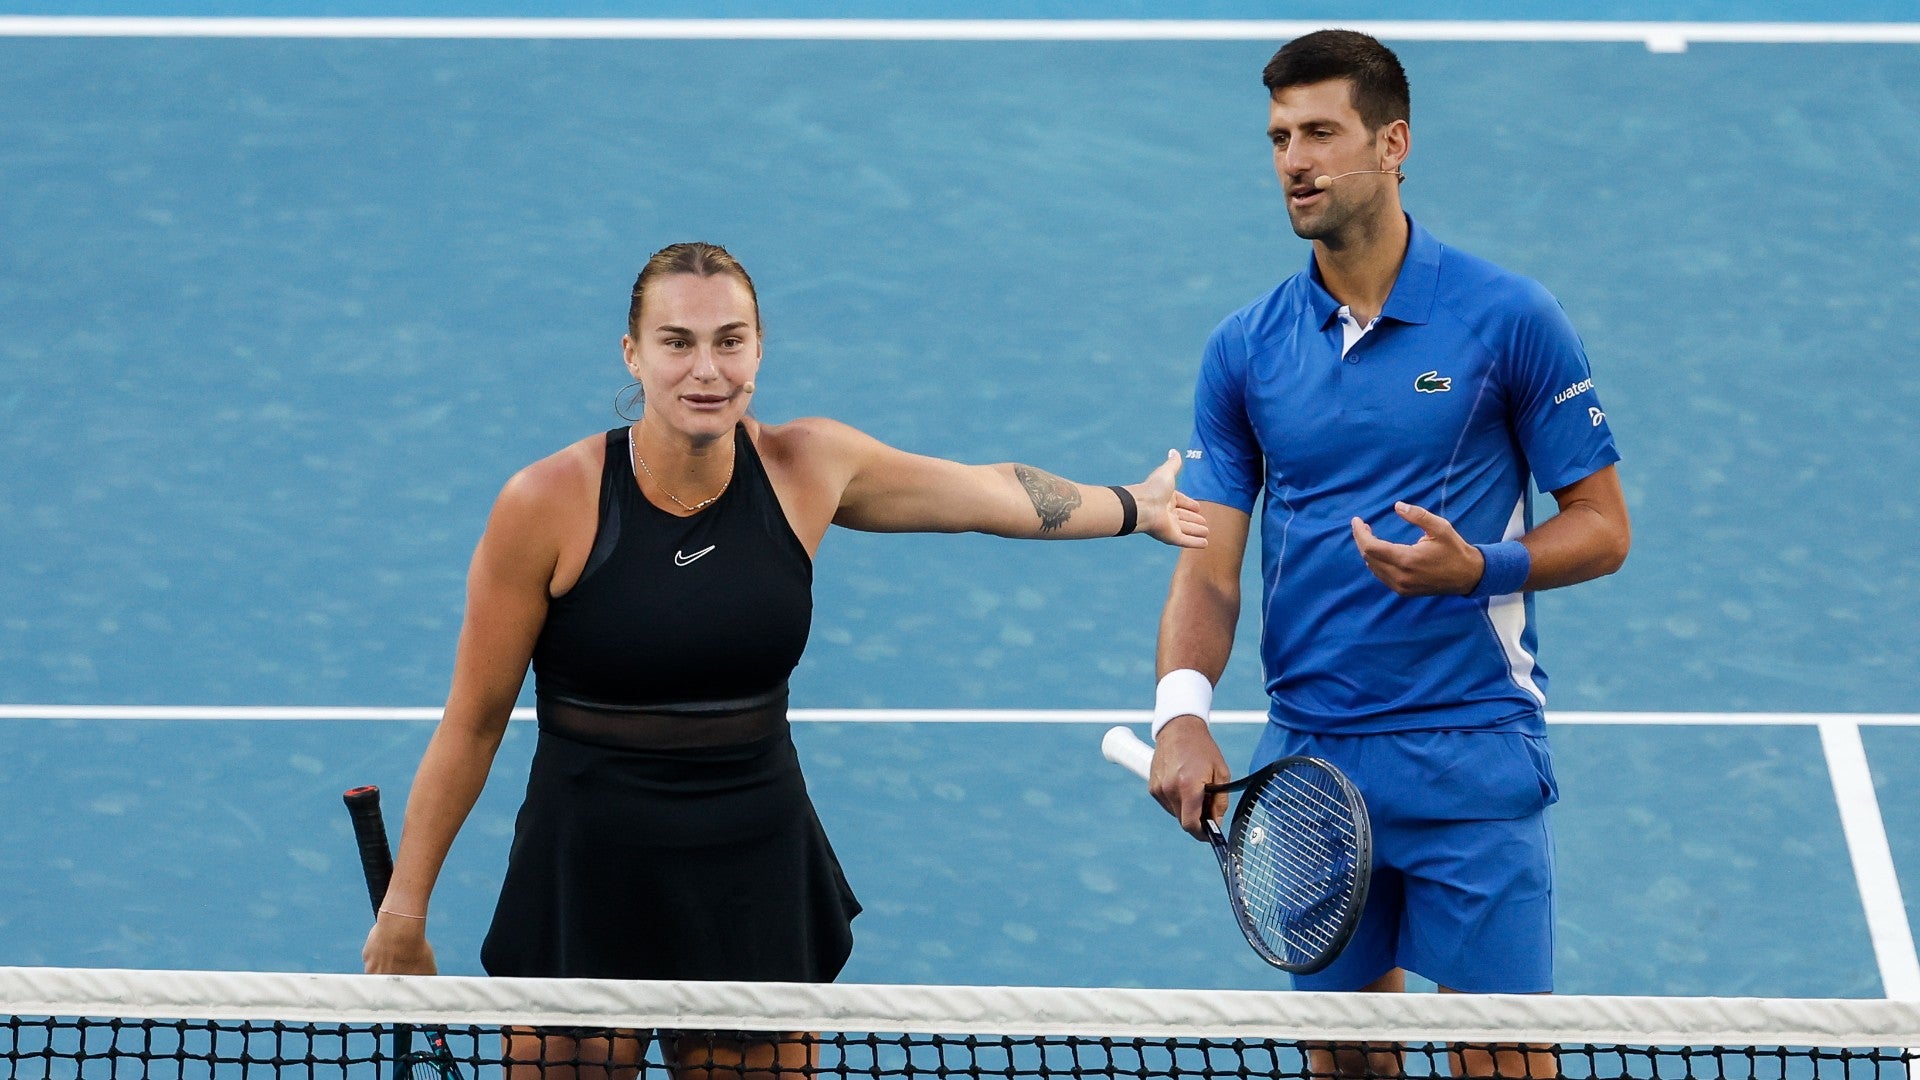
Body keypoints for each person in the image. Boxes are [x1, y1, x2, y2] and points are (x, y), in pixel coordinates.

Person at [360, 241, 1208, 1079]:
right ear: (633, 353)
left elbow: (990, 495)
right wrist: (405, 909)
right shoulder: (546, 502)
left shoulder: (808, 468)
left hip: (751, 862)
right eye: (677, 342)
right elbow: (472, 724)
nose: (707, 369)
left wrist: (1135, 505)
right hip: (587, 864)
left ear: (759, 349)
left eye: (730, 340)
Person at [1146, 30, 1631, 1079]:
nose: (1295, 161)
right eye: (1279, 137)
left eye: (1320, 132)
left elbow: (1604, 526)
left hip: (1472, 750)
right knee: (1346, 1066)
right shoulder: (1246, 349)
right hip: (1316, 762)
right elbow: (1209, 565)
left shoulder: (1509, 320)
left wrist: (1483, 570)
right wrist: (1180, 711)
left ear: (1393, 142)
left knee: (1501, 1065)